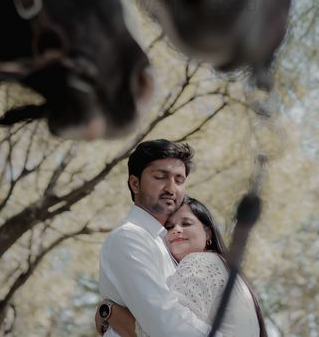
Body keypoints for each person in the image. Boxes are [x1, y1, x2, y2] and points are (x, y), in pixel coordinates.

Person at [102, 196, 266, 337]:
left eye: (186, 223)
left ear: (207, 233)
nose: (176, 230)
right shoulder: (227, 270)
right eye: (169, 227)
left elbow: (172, 330)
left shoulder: (200, 262)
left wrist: (109, 312)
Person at [96, 139, 213, 337]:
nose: (171, 188)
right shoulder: (129, 237)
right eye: (160, 177)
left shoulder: (169, 243)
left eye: (179, 180)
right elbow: (165, 323)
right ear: (135, 183)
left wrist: (106, 310)